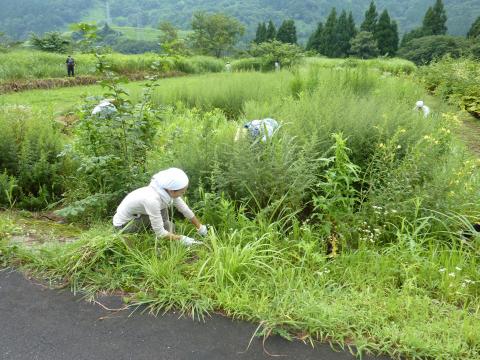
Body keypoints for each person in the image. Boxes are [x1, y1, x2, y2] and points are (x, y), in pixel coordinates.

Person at [112, 168, 207, 246]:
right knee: (166, 228)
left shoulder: (165, 191)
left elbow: (185, 209)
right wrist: (182, 239)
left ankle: (168, 238)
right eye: (182, 192)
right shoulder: (152, 199)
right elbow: (160, 232)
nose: (183, 194)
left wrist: (200, 227)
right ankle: (162, 244)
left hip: (139, 216)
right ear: (172, 190)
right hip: (124, 226)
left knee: (169, 225)